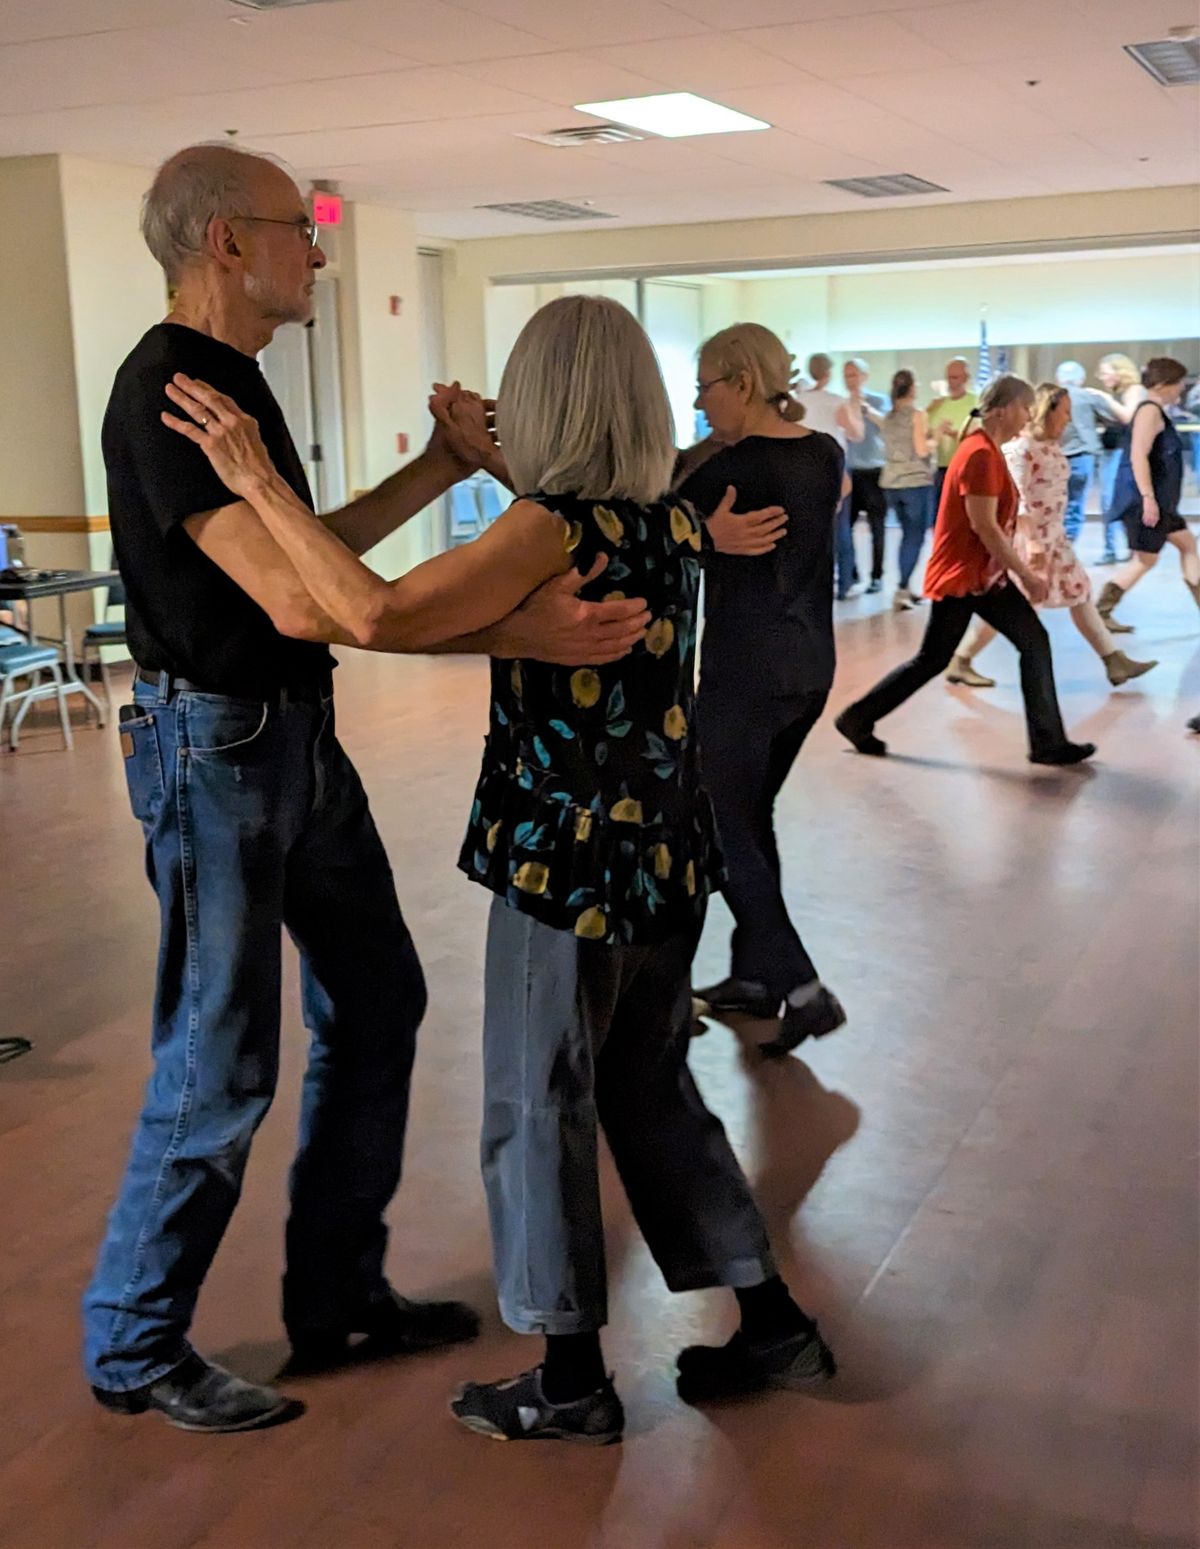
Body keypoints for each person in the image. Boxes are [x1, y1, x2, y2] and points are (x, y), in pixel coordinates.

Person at [161, 294, 838, 1445]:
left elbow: (370, 612)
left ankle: (569, 1376)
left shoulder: (550, 526)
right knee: (649, 1089)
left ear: (549, 402)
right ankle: (770, 1315)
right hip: (665, 859)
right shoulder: (664, 519)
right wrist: (455, 472)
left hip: (566, 865)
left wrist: (258, 480)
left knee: (538, 1101)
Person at [84, 144, 656, 1435]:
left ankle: (336, 1294)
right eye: (303, 229)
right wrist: (511, 634)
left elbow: (311, 559)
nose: (322, 251)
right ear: (227, 240)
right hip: (216, 748)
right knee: (220, 1059)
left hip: (290, 735)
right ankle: (133, 1346)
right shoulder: (175, 392)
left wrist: (443, 471)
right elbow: (305, 599)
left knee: (380, 1000)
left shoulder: (233, 385)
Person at [679, 323, 847, 1055]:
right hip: (809, 667)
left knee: (720, 826)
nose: (698, 400)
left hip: (747, 670)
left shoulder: (732, 469)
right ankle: (754, 978)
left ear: (741, 383)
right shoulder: (823, 450)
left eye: (705, 385)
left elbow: (648, 508)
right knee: (751, 816)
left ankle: (803, 987)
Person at [834, 375, 1096, 768]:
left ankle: (1048, 742)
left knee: (1013, 646)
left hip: (979, 577)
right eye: (1025, 409)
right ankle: (857, 718)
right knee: (945, 657)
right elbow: (984, 525)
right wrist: (1025, 573)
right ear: (1004, 409)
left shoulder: (984, 449)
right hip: (967, 577)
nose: (1028, 418)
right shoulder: (980, 454)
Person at [943, 383, 1156, 690]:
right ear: (1048, 410)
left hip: (1054, 537)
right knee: (1014, 607)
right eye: (1065, 412)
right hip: (1032, 540)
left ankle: (1114, 659)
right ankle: (961, 659)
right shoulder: (1020, 449)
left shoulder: (1052, 447)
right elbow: (1019, 499)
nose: (1068, 419)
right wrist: (1031, 542)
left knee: (1079, 593)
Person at [1097, 358, 1200, 629]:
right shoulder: (1149, 411)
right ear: (1165, 385)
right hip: (1145, 503)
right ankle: (1100, 613)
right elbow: (1137, 455)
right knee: (1144, 560)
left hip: (1161, 503)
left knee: (1187, 545)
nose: (1181, 389)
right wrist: (1147, 498)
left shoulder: (1155, 411)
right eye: (1178, 383)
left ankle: (1101, 614)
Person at [799, 352, 861, 598]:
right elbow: (856, 433)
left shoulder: (797, 400)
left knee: (808, 524)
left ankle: (811, 580)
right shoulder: (836, 402)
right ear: (828, 373)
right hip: (832, 466)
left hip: (803, 466)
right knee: (839, 525)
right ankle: (844, 582)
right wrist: (855, 407)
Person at [879, 369, 933, 611]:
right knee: (915, 536)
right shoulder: (917, 415)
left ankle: (907, 587)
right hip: (915, 482)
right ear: (912, 389)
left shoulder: (888, 417)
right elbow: (921, 450)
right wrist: (938, 437)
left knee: (904, 535)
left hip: (891, 482)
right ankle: (901, 589)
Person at [1054, 360, 1125, 544]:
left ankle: (1056, 544)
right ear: (1081, 379)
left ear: (1058, 378)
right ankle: (1068, 545)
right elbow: (1114, 419)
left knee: (1055, 503)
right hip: (1083, 454)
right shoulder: (1088, 396)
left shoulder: (1050, 397)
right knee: (1075, 504)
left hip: (1054, 455)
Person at [843, 358, 890, 594]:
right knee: (845, 527)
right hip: (850, 472)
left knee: (877, 527)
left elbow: (887, 426)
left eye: (854, 375)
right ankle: (850, 573)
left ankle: (877, 576)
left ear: (864, 376)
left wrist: (867, 411)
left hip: (875, 471)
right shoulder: (841, 404)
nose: (850, 380)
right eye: (846, 375)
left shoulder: (879, 400)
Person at [1096, 353, 1144, 564]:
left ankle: (1122, 548)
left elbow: (1128, 417)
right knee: (1111, 501)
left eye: (1106, 373)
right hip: (1113, 450)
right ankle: (1117, 548)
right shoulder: (1121, 393)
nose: (1102, 378)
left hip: (1121, 452)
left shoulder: (1134, 391)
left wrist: (1103, 399)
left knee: (1111, 501)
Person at [925, 357, 978, 519]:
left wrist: (953, 433)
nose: (951, 382)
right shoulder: (938, 405)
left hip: (969, 468)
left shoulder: (976, 403)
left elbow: (979, 436)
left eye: (955, 377)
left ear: (966, 378)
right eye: (948, 377)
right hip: (943, 468)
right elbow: (924, 434)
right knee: (941, 517)